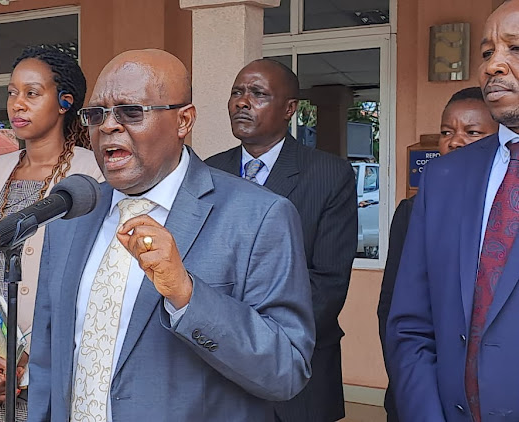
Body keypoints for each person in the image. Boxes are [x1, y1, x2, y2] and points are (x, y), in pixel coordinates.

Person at [27, 49, 315, 422]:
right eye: (97, 114)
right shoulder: (75, 212)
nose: (108, 126)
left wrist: (186, 294)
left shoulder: (259, 217)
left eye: (131, 111)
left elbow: (286, 370)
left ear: (184, 121)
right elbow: (49, 357)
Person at [0, 46, 103, 422]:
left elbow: (91, 280)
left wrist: (26, 357)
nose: (17, 104)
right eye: (12, 92)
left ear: (65, 101)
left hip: (51, 363)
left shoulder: (93, 176)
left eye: (32, 93)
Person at [387, 2, 519, 419]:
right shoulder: (444, 178)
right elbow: (410, 324)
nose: (494, 65)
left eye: (515, 48)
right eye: (486, 52)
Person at [206, 58, 357, 421]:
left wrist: (252, 344)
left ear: (290, 108)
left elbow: (328, 283)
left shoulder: (328, 174)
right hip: (213, 366)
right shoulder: (208, 172)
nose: (242, 102)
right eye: (237, 93)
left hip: (293, 364)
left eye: (257, 94)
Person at [377, 87, 498, 422]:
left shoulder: (506, 213)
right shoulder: (414, 210)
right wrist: (409, 383)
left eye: (472, 132)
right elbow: (394, 310)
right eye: (447, 132)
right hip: (426, 392)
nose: (455, 142)